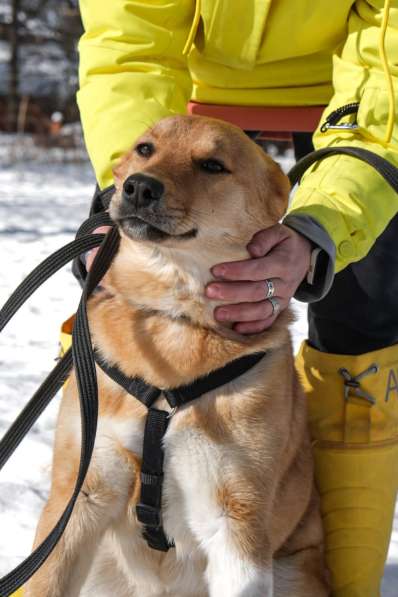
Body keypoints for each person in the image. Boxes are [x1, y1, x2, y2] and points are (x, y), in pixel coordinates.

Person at [76, 2, 398, 595]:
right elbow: (130, 40)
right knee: (107, 285)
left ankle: (346, 583)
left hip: (353, 101)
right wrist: (126, 182)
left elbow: (388, 68)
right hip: (182, 96)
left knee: (364, 315)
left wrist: (323, 226)